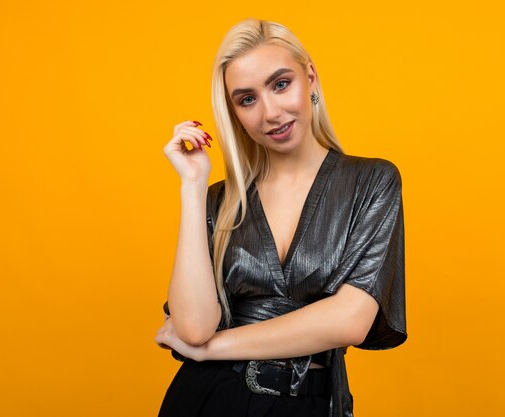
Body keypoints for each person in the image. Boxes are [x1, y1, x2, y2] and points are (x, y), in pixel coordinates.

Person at [155, 18, 407, 417]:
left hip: (307, 401)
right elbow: (192, 328)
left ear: (310, 77)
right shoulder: (219, 200)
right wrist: (192, 186)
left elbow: (350, 320)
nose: (270, 112)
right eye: (247, 99)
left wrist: (210, 349)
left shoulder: (371, 182)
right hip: (208, 399)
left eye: (280, 84)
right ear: (234, 113)